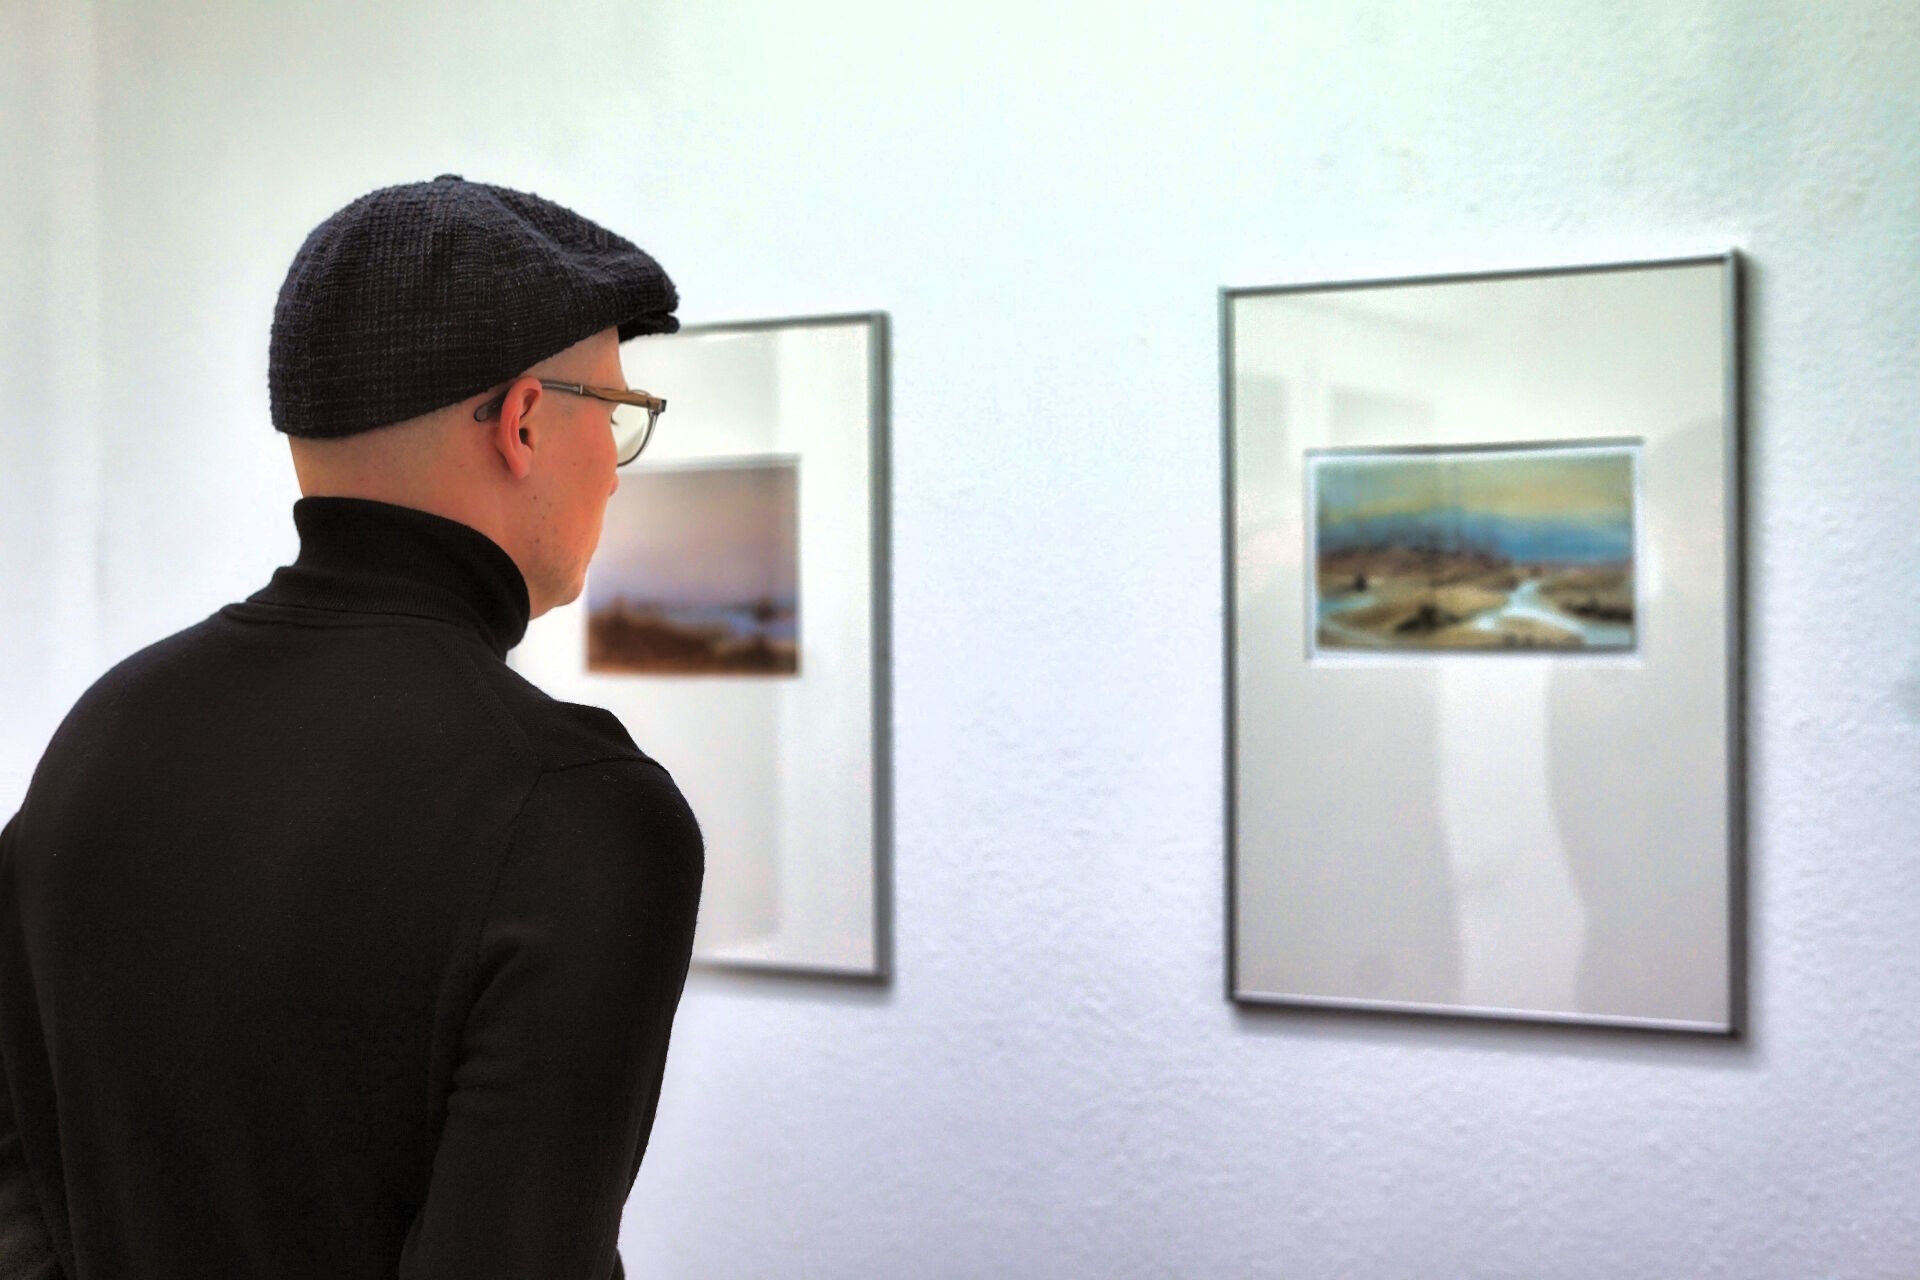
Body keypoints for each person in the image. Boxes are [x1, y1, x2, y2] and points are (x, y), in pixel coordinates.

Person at [0, 175, 704, 1278]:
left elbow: (19, 1197)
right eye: (613, 416)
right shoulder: (576, 805)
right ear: (524, 421)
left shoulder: (106, 730)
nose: (614, 472)